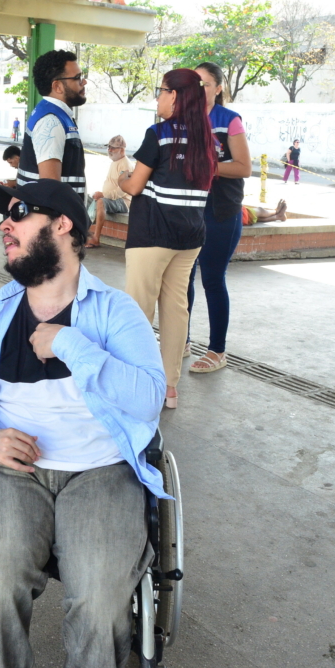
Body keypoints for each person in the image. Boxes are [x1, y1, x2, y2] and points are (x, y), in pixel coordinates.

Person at [0, 178, 167, 668]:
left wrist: (70, 344)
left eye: (19, 213)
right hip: (11, 472)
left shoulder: (115, 311)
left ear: (63, 225)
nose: (5, 224)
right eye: (5, 216)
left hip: (101, 471)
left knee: (102, 601)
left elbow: (150, 398)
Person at [117, 68, 219, 409]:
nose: (158, 98)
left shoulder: (159, 134)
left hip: (152, 234)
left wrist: (122, 176)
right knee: (176, 310)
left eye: (160, 91)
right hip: (190, 236)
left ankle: (136, 385)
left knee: (138, 310)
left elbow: (134, 186)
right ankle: (169, 388)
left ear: (174, 95)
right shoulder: (207, 139)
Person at [183, 61, 252, 374]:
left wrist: (205, 166)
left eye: (205, 84)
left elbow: (243, 167)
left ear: (219, 88)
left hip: (220, 210)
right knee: (182, 277)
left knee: (212, 278)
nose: (199, 90)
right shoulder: (182, 119)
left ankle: (217, 350)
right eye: (194, 84)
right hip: (187, 209)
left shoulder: (228, 120)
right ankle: (181, 340)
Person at [16, 50, 87, 198]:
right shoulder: (51, 120)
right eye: (77, 78)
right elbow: (50, 188)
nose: (84, 82)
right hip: (58, 212)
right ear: (57, 86)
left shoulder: (53, 113)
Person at [86, 135, 132, 248]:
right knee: (84, 199)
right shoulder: (115, 161)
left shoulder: (125, 165)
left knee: (101, 202)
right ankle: (83, 234)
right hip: (110, 198)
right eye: (109, 147)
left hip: (123, 201)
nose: (110, 150)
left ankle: (96, 238)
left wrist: (104, 195)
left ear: (122, 150)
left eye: (113, 148)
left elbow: (123, 190)